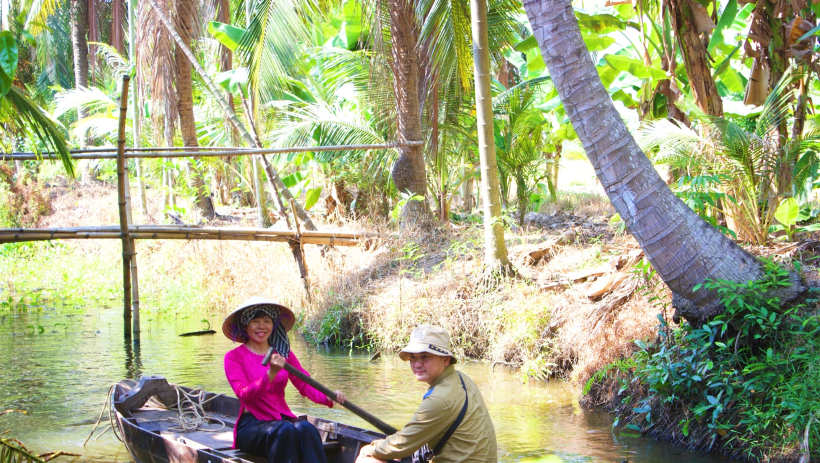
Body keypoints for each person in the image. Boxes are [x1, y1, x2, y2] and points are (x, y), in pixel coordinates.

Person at [223, 296, 347, 463]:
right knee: (285, 430)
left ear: (273, 325)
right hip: (253, 425)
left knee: (306, 428)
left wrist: (328, 396)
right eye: (255, 321)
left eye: (267, 320)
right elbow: (244, 394)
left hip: (282, 419)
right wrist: (270, 374)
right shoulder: (234, 357)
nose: (262, 326)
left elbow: (305, 384)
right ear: (245, 325)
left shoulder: (284, 354)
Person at [356, 325, 497, 463]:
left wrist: (370, 449)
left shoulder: (439, 399)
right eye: (413, 357)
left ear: (446, 359)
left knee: (367, 458)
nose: (417, 364)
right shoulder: (462, 378)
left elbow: (403, 443)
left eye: (425, 357)